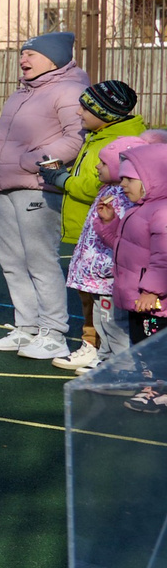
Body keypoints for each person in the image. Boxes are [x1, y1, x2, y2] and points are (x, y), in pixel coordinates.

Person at [0, 29, 91, 361]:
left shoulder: (70, 91)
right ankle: (26, 327)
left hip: (38, 188)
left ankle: (54, 333)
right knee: (12, 262)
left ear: (53, 58)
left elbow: (77, 139)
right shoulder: (22, 92)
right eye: (23, 53)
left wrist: (38, 163)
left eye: (31, 54)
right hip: (2, 185)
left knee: (40, 260)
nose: (23, 59)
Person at [53, 79, 145, 372]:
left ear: (104, 112)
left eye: (85, 108)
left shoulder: (121, 143)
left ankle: (104, 352)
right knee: (90, 298)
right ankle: (95, 347)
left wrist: (62, 180)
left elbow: (92, 185)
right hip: (93, 237)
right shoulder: (99, 135)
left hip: (105, 245)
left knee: (108, 306)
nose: (78, 113)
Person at [67, 138, 136, 380]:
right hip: (96, 275)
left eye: (103, 163)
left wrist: (106, 268)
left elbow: (121, 238)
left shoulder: (126, 196)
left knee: (115, 324)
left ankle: (122, 365)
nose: (97, 167)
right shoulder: (107, 190)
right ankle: (105, 357)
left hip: (108, 275)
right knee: (101, 320)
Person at [108, 141, 167, 412]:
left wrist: (152, 290)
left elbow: (164, 257)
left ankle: (156, 390)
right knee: (142, 344)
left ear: (153, 178)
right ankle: (150, 384)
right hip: (139, 297)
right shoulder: (140, 209)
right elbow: (124, 248)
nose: (122, 185)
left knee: (154, 346)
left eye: (129, 179)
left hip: (154, 302)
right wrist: (108, 223)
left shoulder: (162, 213)